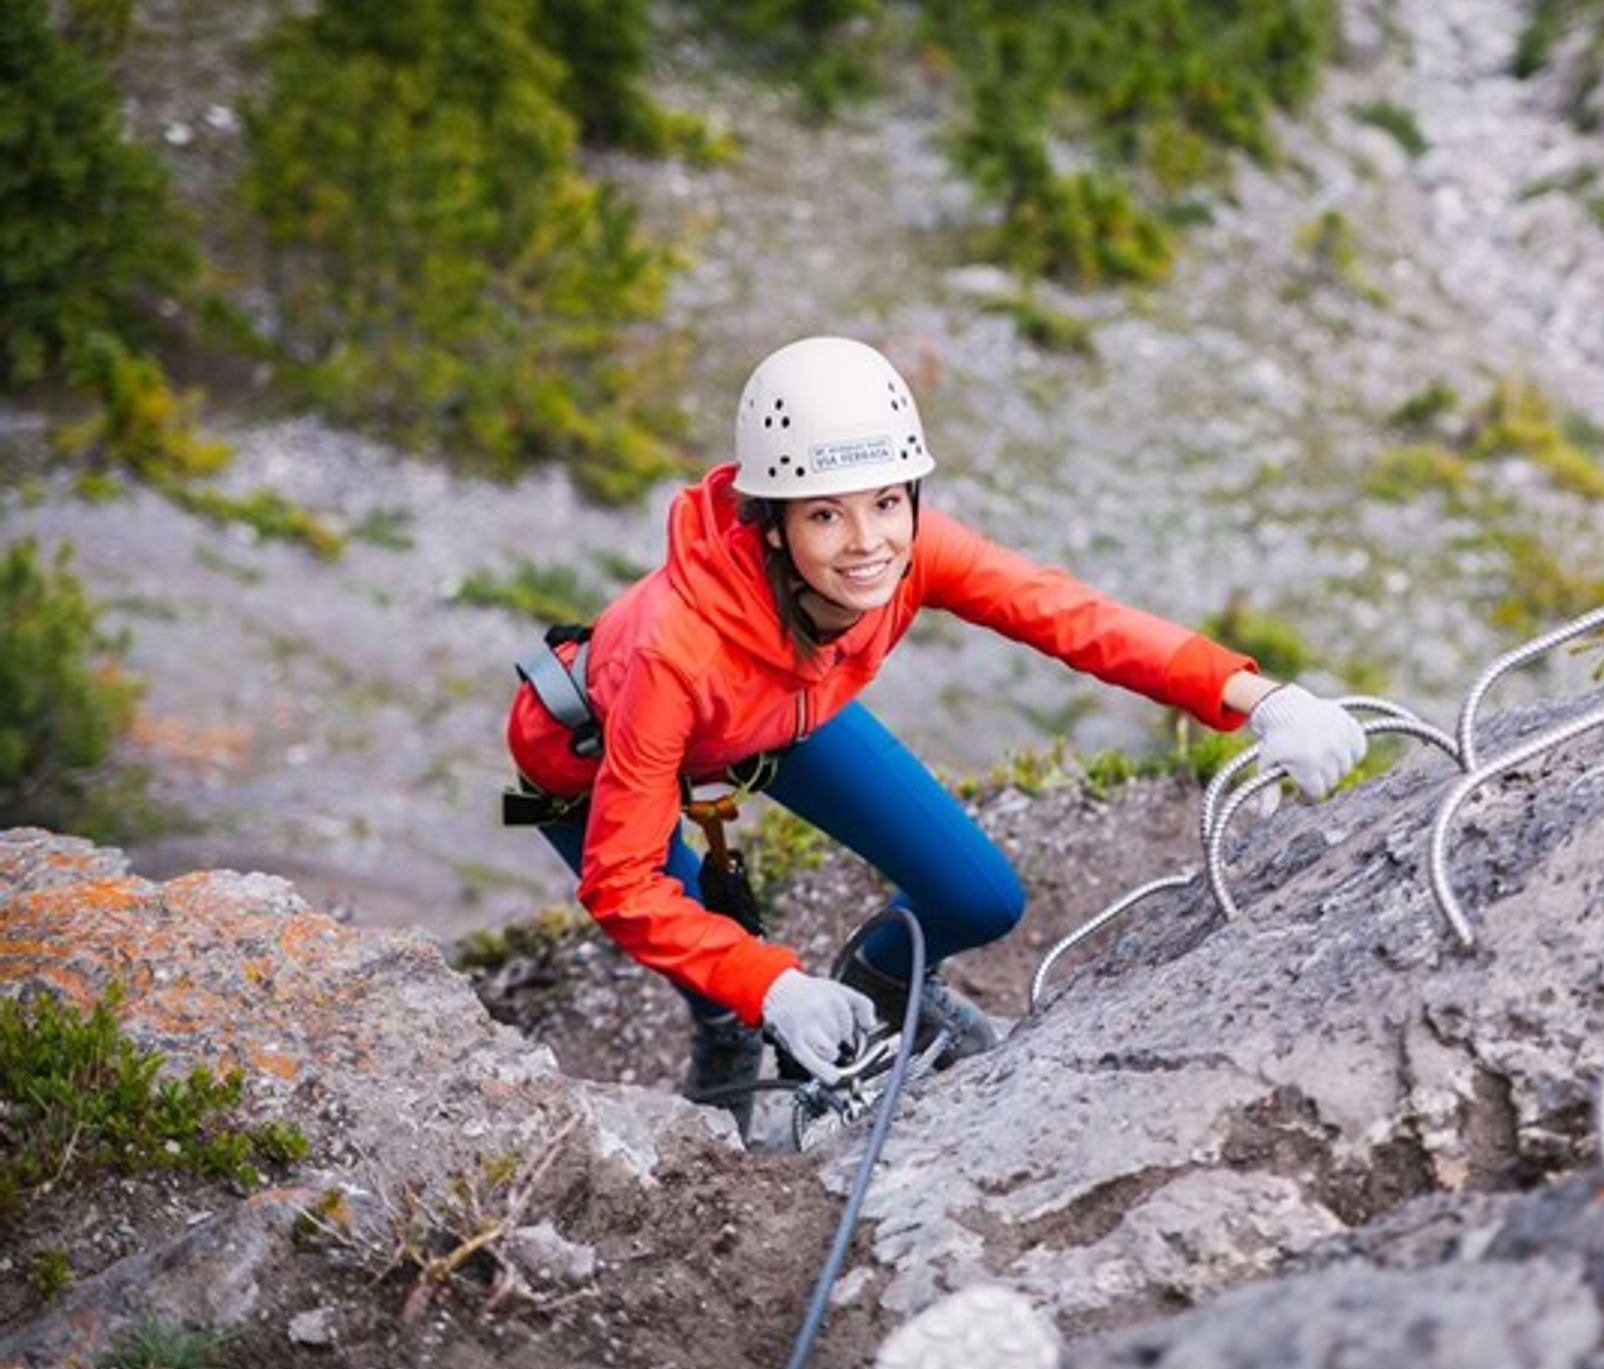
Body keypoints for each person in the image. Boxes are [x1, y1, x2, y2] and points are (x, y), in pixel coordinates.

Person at [506, 335, 1366, 1122]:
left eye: (886, 502)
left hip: (773, 709)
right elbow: (623, 881)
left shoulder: (912, 551)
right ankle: (727, 1035)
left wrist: (1259, 698)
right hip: (588, 759)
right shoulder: (675, 651)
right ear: (770, 522)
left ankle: (880, 981)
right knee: (714, 954)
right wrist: (768, 989)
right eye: (825, 514)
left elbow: (1069, 616)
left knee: (978, 897)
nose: (867, 544)